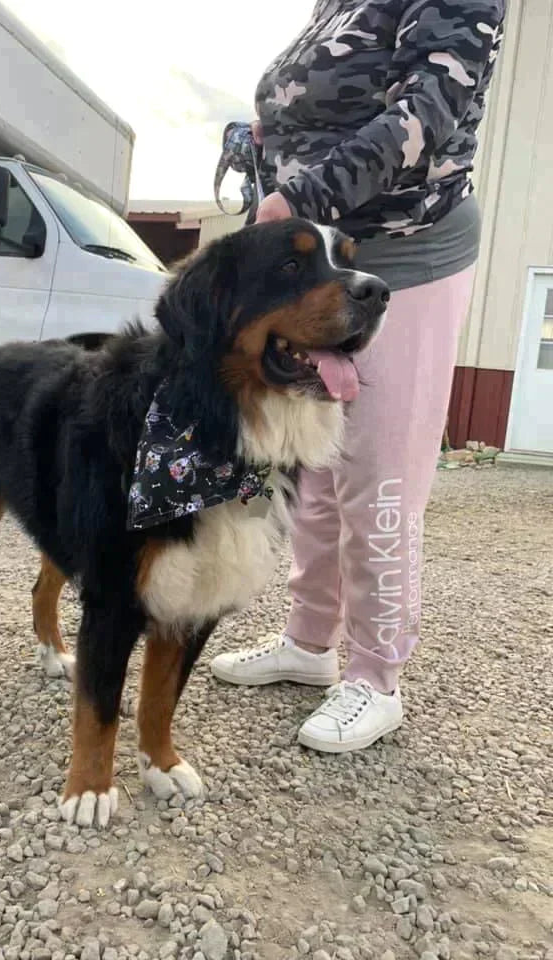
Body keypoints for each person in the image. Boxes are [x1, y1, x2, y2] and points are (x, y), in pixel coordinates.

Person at [210, 0, 506, 752]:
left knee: (381, 479)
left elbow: (429, 106)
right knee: (316, 470)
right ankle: (310, 642)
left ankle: (376, 675)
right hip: (330, 259)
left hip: (409, 253)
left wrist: (299, 198)